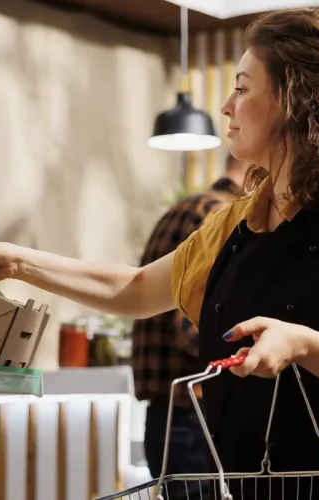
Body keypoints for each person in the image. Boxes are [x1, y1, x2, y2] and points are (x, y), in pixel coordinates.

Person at [0, 8, 319, 498]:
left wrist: (302, 343)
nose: (226, 105)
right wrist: (19, 264)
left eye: (243, 87)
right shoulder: (237, 221)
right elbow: (134, 288)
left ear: (293, 100)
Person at [131, 154, 247, 496]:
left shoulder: (185, 207)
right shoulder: (221, 216)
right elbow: (191, 327)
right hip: (195, 413)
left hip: (167, 415)